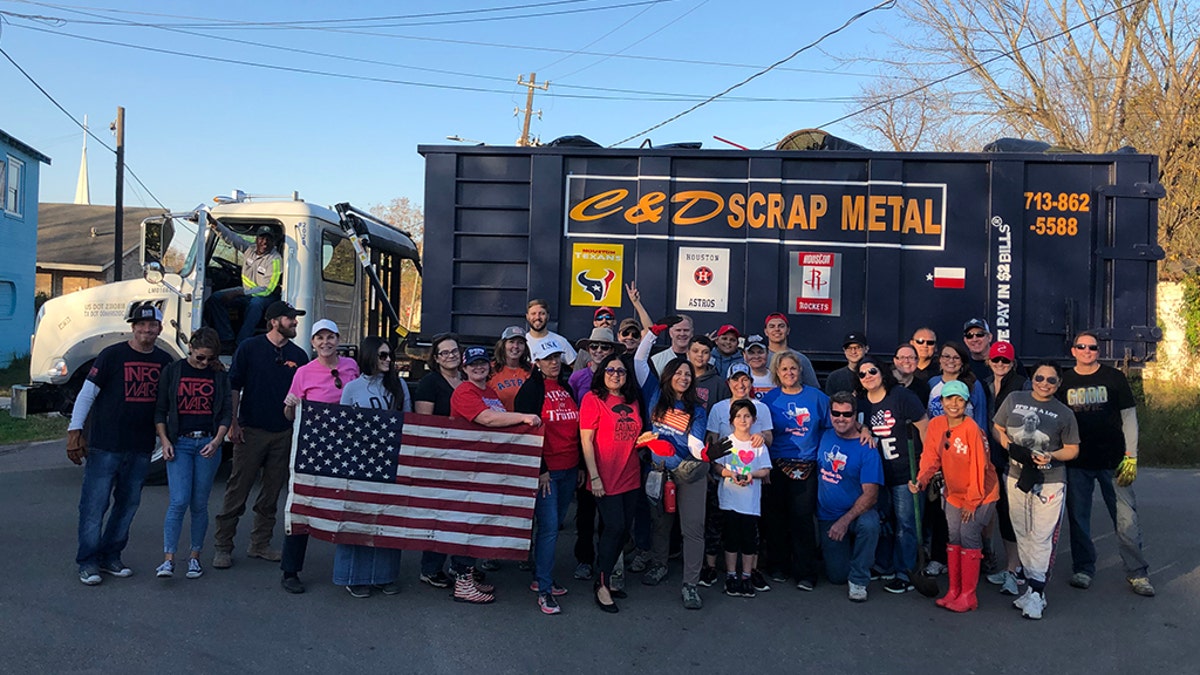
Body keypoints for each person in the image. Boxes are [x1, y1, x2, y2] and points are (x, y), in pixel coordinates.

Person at [68, 305, 173, 585]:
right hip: (105, 444)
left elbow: (168, 404)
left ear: (160, 329)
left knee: (127, 505)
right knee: (94, 506)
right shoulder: (112, 355)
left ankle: (110, 557)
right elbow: (87, 393)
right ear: (132, 327)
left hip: (140, 446)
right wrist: (74, 430)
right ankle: (88, 562)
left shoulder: (164, 362)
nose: (146, 330)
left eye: (152, 326)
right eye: (141, 325)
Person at [212, 301, 308, 570]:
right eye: (290, 318)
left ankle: (260, 544)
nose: (295, 323)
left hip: (283, 433)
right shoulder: (249, 348)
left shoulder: (299, 356)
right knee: (237, 490)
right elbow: (234, 386)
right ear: (274, 321)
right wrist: (232, 423)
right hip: (251, 430)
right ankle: (223, 546)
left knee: (271, 493)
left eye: (295, 318)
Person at [1058, 331, 1155, 597]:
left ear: (1098, 351)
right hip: (1078, 463)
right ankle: (1083, 568)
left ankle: (1138, 573)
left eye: (1092, 347)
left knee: (1126, 519)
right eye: (1082, 347)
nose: (1087, 351)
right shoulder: (1064, 381)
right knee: (1078, 519)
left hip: (1115, 462)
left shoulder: (1114, 378)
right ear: (1073, 351)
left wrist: (1131, 456)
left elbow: (1129, 418)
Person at [452, 346, 542, 604]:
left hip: (485, 468)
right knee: (467, 524)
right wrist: (525, 417)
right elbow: (488, 419)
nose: (478, 367)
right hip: (469, 468)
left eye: (482, 363)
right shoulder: (464, 391)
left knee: (478, 521)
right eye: (472, 364)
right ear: (464, 368)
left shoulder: (488, 391)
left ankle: (468, 575)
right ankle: (462, 582)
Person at [278, 319, 361, 594]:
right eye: (319, 338)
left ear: (338, 339)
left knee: (348, 505)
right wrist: (290, 405)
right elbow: (290, 415)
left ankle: (350, 569)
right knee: (304, 504)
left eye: (330, 337)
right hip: (314, 447)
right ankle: (290, 570)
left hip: (346, 445)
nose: (325, 343)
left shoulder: (351, 367)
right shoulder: (303, 372)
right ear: (312, 343)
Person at [993, 361, 1080, 620]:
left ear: (1058, 384)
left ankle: (1037, 591)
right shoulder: (1014, 399)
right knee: (1022, 533)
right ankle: (1031, 587)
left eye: (1051, 380)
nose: (1044, 384)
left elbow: (1073, 449)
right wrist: (1009, 445)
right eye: (1040, 378)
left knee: (1042, 536)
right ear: (1032, 379)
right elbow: (998, 427)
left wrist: (1051, 455)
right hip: (1017, 476)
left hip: (1050, 479)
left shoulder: (1064, 413)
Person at [633, 326, 712, 609]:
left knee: (693, 528)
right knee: (660, 524)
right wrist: (652, 334)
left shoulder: (698, 409)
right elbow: (640, 362)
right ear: (668, 376)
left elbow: (693, 442)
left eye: (687, 374)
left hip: (689, 472)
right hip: (658, 471)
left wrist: (704, 453)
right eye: (678, 372)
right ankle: (659, 565)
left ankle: (690, 584)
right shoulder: (654, 394)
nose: (683, 377)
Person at [911, 380, 999, 612]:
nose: (954, 404)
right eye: (949, 398)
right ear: (941, 401)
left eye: (960, 399)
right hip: (953, 492)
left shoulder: (972, 429)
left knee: (969, 534)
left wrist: (972, 501)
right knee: (954, 536)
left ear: (966, 403)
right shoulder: (937, 425)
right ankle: (954, 590)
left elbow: (979, 467)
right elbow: (931, 456)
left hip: (980, 492)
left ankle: (968, 595)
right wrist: (922, 479)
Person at [334, 337, 411, 598]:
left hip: (391, 460)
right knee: (359, 518)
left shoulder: (399, 386)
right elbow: (343, 425)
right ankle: (354, 576)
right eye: (382, 355)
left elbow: (408, 422)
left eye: (389, 355)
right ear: (369, 357)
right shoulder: (352, 388)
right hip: (360, 462)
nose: (388, 360)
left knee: (388, 518)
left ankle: (384, 575)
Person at [153, 327, 232, 580]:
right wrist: (164, 440)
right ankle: (168, 559)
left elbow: (226, 413)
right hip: (181, 443)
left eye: (210, 358)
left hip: (207, 441)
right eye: (200, 357)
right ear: (191, 349)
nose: (205, 363)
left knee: (199, 503)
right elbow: (160, 409)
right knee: (178, 501)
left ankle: (195, 557)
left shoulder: (218, 375)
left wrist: (218, 440)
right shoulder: (173, 371)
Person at [513, 338, 580, 614]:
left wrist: (581, 468)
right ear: (536, 363)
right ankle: (543, 588)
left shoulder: (565, 387)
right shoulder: (531, 390)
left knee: (554, 526)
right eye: (547, 358)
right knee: (550, 528)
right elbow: (524, 432)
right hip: (547, 472)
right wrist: (540, 469)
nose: (554, 362)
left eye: (556, 358)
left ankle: (542, 577)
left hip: (569, 467)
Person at [855, 354, 929, 594]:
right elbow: (858, 424)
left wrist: (926, 467)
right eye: (862, 374)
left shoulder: (902, 396)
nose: (867, 376)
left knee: (906, 524)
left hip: (906, 472)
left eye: (872, 371)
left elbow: (924, 425)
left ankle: (905, 572)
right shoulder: (862, 402)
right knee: (884, 522)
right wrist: (863, 428)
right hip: (879, 474)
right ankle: (884, 565)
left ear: (882, 372)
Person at [761, 350, 830, 591]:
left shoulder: (818, 398)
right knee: (776, 518)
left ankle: (806, 573)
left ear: (800, 371)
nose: (789, 373)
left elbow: (832, 427)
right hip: (777, 464)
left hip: (808, 465)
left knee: (802, 519)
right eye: (784, 369)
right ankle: (778, 566)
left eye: (793, 368)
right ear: (777, 374)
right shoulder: (769, 401)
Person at [580, 353, 644, 613]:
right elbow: (586, 440)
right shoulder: (593, 399)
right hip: (604, 476)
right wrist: (593, 475)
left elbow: (632, 436)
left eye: (620, 371)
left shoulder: (632, 400)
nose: (615, 374)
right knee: (613, 528)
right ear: (601, 373)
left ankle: (605, 577)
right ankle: (602, 584)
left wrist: (645, 440)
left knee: (624, 530)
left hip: (630, 474)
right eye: (610, 370)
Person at [705, 363, 773, 591]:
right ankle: (719, 570)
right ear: (728, 382)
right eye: (736, 379)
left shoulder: (761, 408)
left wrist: (761, 439)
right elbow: (713, 442)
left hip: (751, 483)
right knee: (722, 528)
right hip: (726, 475)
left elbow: (768, 439)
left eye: (745, 379)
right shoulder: (719, 409)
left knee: (751, 533)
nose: (740, 384)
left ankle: (749, 573)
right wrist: (720, 471)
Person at [924, 340, 988, 576]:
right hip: (939, 456)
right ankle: (939, 558)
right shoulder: (932, 384)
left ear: (962, 363)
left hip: (963, 457)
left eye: (956, 358)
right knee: (939, 512)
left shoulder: (973, 386)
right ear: (939, 360)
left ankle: (970, 562)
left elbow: (980, 423)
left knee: (965, 514)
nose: (950, 361)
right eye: (946, 356)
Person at [566, 327, 623, 581]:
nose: (599, 351)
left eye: (605, 347)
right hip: (584, 446)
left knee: (610, 515)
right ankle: (584, 559)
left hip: (613, 454)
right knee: (586, 511)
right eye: (595, 347)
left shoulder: (622, 377)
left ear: (613, 351)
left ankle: (606, 560)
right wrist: (579, 462)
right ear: (588, 349)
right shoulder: (577, 378)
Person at [816, 393, 883, 603]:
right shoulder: (824, 435)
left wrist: (844, 522)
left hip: (855, 514)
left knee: (870, 524)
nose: (841, 418)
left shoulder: (867, 448)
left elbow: (871, 495)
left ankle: (859, 578)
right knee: (836, 576)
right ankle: (853, 559)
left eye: (847, 414)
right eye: (836, 413)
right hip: (827, 515)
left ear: (856, 416)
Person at [413, 333, 466, 590]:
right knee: (440, 514)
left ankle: (459, 566)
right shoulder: (430, 383)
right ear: (436, 358)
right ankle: (431, 568)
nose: (451, 356)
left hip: (466, 458)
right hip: (441, 459)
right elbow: (425, 424)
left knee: (462, 515)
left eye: (454, 351)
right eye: (444, 352)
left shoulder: (467, 380)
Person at [982, 340, 1027, 595]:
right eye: (996, 360)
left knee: (1014, 513)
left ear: (1013, 363)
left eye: (1005, 361)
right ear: (989, 361)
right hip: (992, 457)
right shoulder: (987, 385)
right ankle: (1003, 562)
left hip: (1014, 458)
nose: (1000, 364)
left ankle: (1016, 568)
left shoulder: (1022, 385)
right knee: (997, 510)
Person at [204, 220, 283, 347]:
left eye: (268, 239)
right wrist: (216, 225)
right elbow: (232, 238)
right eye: (262, 238)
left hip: (266, 296)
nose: (265, 242)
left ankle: (242, 343)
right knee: (216, 298)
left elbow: (267, 289)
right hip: (246, 291)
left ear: (273, 241)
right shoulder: (249, 249)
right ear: (257, 239)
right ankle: (226, 338)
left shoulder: (275, 259)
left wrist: (239, 292)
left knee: (255, 304)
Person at [763, 312, 819, 387]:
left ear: (788, 330)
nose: (777, 329)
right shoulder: (760, 359)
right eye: (772, 326)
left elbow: (813, 389)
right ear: (766, 332)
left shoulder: (801, 359)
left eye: (781, 326)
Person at [489, 326, 531, 411]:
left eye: (520, 343)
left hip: (527, 421)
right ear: (503, 345)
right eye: (511, 342)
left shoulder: (532, 370)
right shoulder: (489, 369)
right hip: (499, 421)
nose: (516, 346)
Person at [525, 298, 578, 365]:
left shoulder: (560, 341)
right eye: (533, 314)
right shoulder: (521, 342)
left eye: (542, 313)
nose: (537, 317)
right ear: (527, 317)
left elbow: (577, 368)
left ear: (548, 316)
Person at [687, 336, 730, 412]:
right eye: (695, 351)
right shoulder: (679, 378)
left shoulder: (719, 383)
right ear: (688, 353)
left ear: (710, 356)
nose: (700, 355)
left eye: (705, 352)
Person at [825, 332, 868, 396]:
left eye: (858, 347)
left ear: (866, 349)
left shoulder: (874, 375)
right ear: (844, 351)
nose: (853, 352)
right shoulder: (834, 377)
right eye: (849, 348)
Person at [962, 318, 993, 383]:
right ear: (965, 340)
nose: (975, 339)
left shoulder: (1004, 362)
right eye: (969, 336)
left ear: (989, 337)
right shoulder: (962, 366)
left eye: (980, 334)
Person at [743, 334, 773, 399]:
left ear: (767, 353)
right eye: (751, 353)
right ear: (744, 355)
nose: (756, 356)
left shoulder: (777, 378)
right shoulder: (739, 380)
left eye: (760, 352)